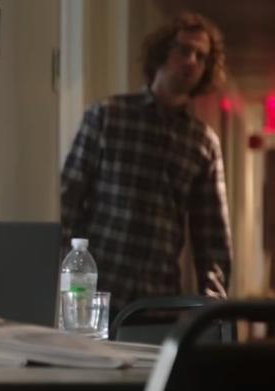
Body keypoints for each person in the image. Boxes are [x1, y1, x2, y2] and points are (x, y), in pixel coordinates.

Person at [61, 12, 232, 312]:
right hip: (95, 291)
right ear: (163, 51)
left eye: (201, 56)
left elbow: (213, 241)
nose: (192, 61)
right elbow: (67, 201)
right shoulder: (107, 116)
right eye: (184, 49)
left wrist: (213, 314)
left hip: (158, 299)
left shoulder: (203, 142)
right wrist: (62, 282)